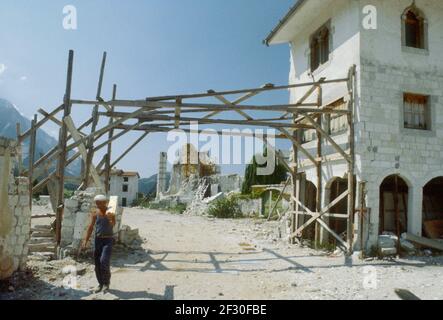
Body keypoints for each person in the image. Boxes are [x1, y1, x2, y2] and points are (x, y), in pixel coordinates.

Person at [82, 194, 116, 293]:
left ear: (105, 203)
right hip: (98, 240)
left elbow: (113, 225)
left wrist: (111, 218)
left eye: (99, 203)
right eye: (96, 203)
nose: (97, 205)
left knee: (103, 261)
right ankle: (100, 284)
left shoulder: (111, 212)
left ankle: (106, 283)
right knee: (97, 264)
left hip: (108, 240)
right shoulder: (95, 213)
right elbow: (90, 227)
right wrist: (85, 240)